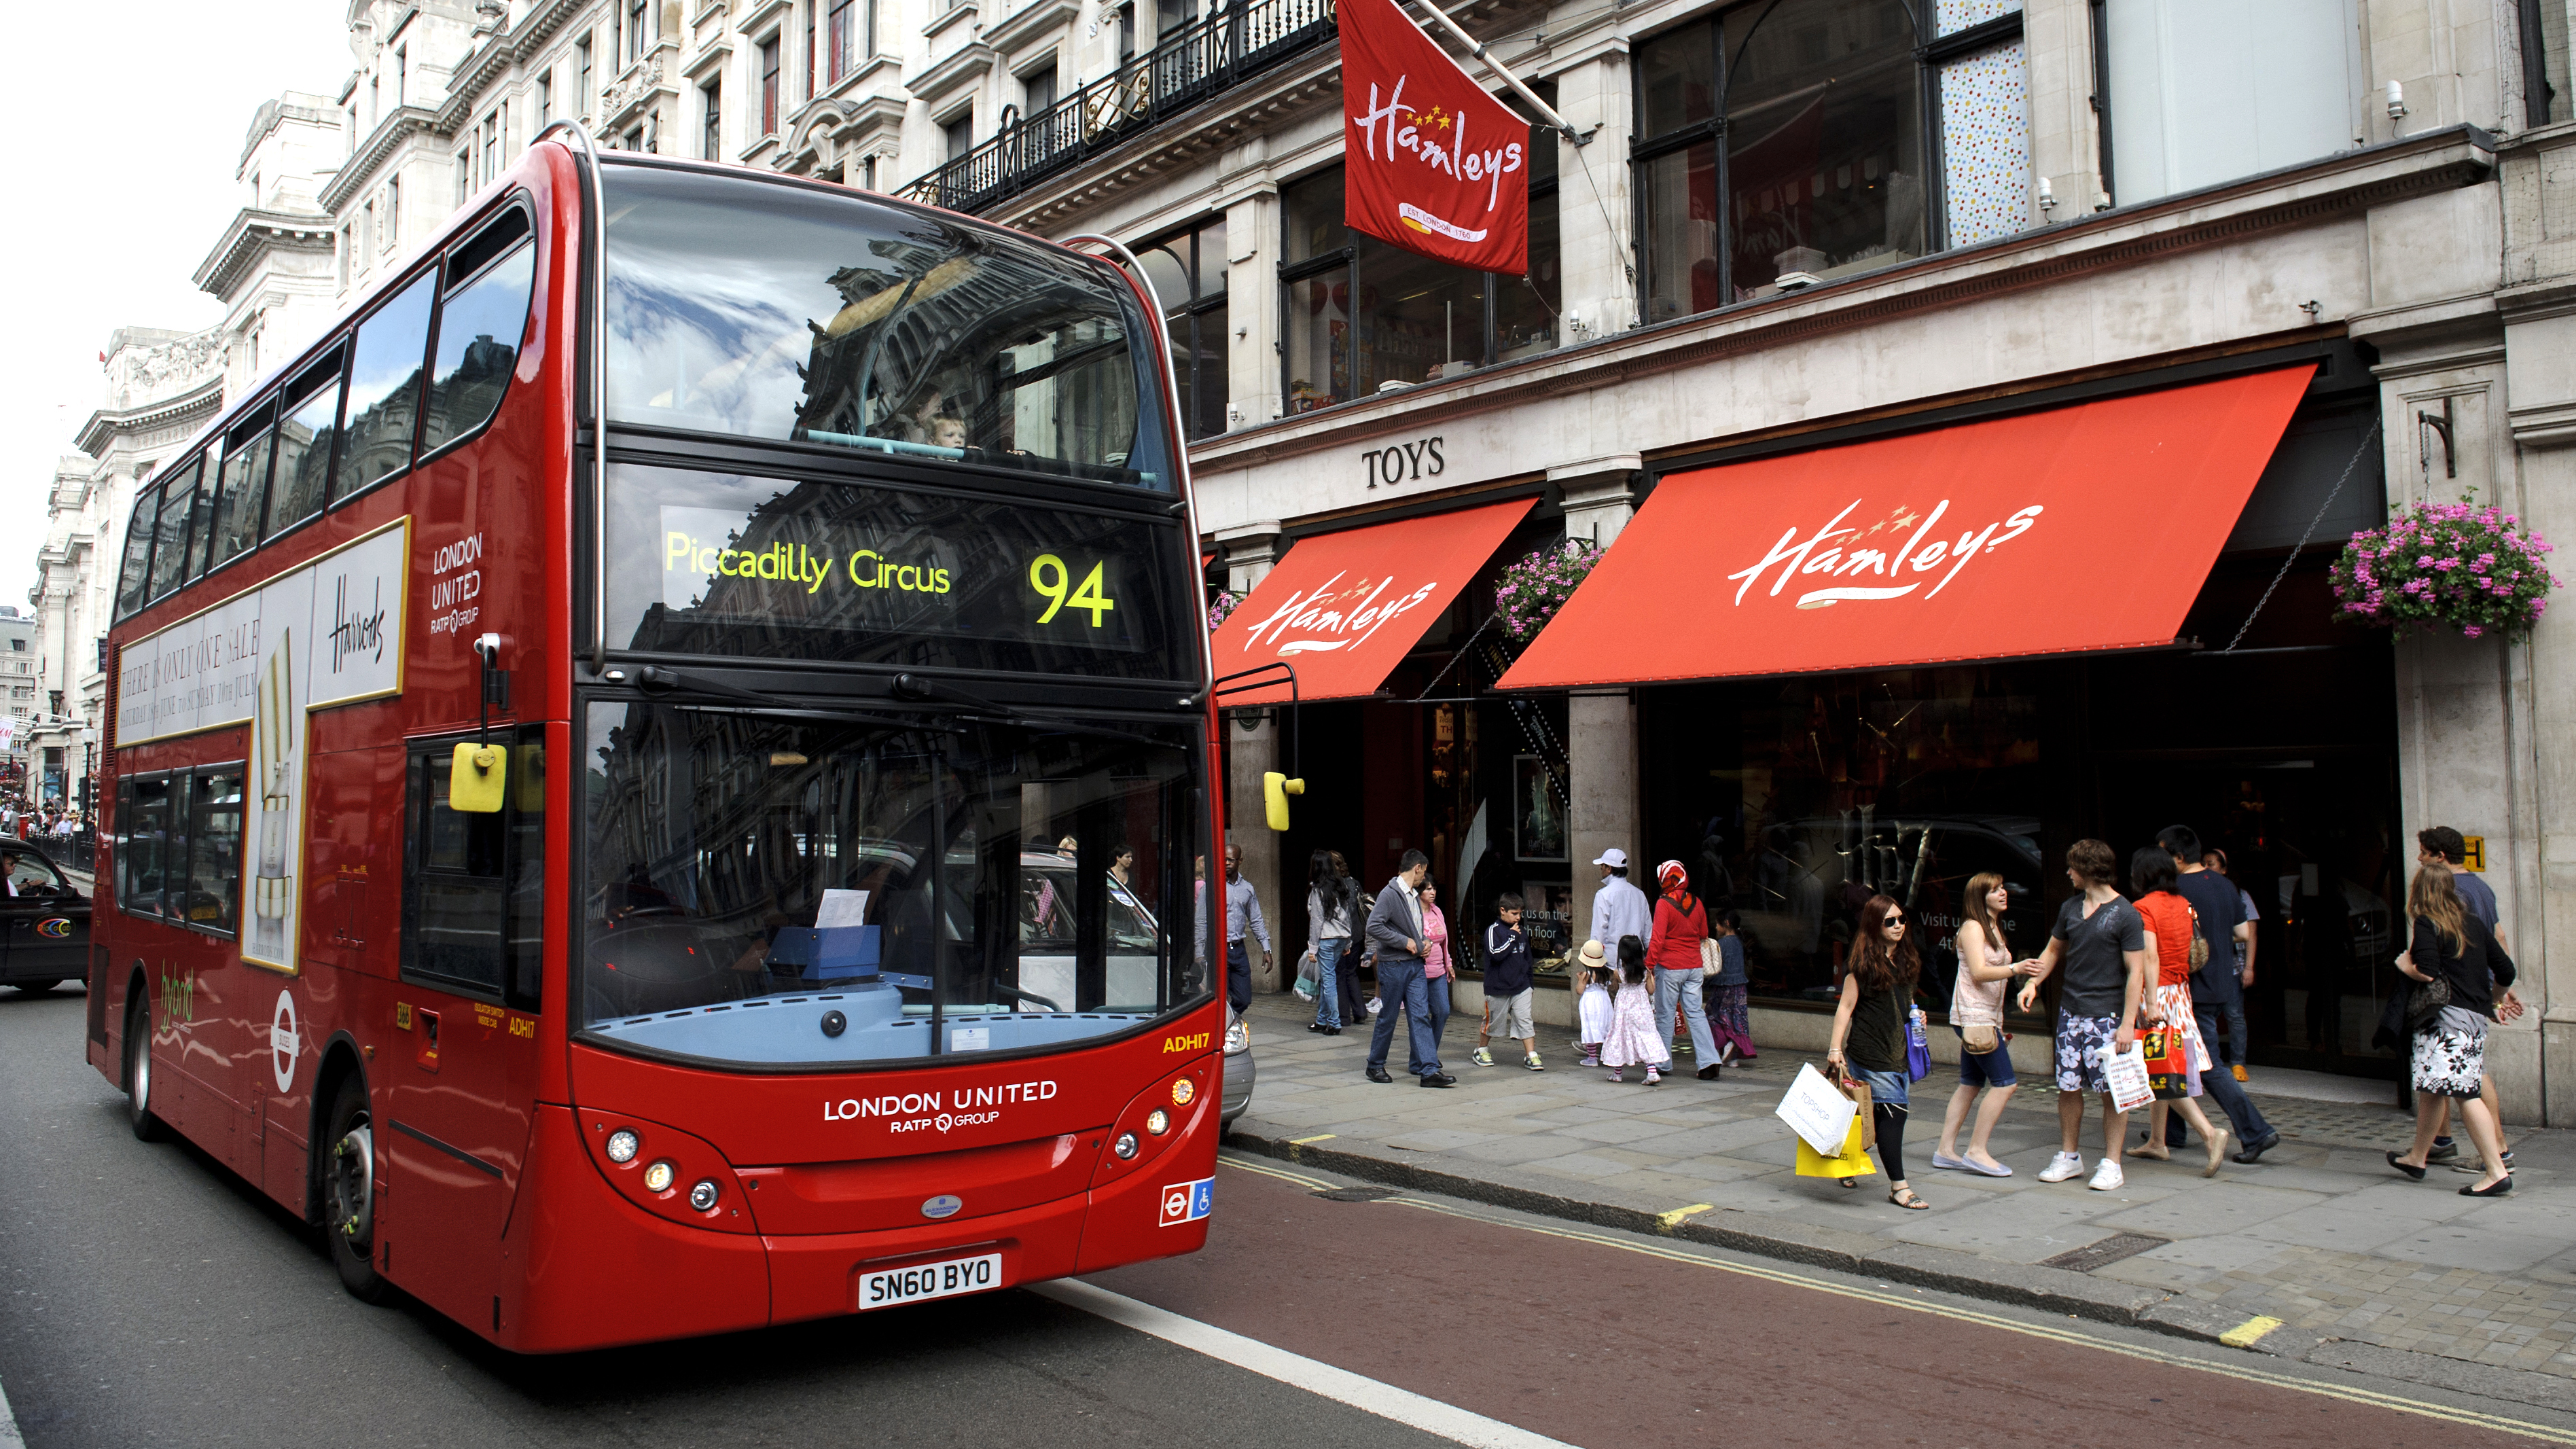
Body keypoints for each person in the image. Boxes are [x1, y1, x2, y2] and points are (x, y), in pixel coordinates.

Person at [2017, 838, 2150, 1192]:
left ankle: (2112, 1163)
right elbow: (2053, 950)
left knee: (2112, 1091)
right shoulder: (2071, 908)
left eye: (2072, 866)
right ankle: (2070, 1156)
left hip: (2106, 1015)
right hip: (2071, 1011)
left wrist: (2126, 1023)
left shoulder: (2125, 913)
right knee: (2068, 1086)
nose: (2068, 872)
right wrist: (2033, 984)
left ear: (2088, 870)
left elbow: (2136, 972)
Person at [2386, 863, 2516, 1196]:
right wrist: (2494, 1002)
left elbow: (2427, 971)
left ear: (2420, 891)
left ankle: (2496, 1171)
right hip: (2472, 1019)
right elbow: (2506, 970)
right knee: (2434, 1089)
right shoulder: (2472, 923)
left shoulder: (2428, 923)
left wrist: (2405, 966)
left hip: (2446, 1022)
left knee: (2465, 1093)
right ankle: (2417, 1158)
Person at [2156, 828, 2281, 1162]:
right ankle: (2171, 1132)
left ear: (2178, 856)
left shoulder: (2175, 889)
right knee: (2176, 1057)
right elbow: (2242, 932)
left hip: (2188, 987)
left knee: (2207, 1063)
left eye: (2163, 854)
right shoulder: (2226, 885)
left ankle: (2255, 1131)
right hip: (2220, 984)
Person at [2415, 827, 2521, 1175]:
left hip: (2458, 1003)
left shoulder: (2451, 892)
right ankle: (2439, 1142)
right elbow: (2498, 937)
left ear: (2439, 857)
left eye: (2424, 853)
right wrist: (2499, 992)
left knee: (2472, 1079)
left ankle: (2498, 1153)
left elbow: (2449, 955)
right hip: (2478, 995)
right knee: (2447, 1076)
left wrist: (2496, 996)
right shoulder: (2481, 887)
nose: (2419, 859)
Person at [2128, 847, 2232, 1176]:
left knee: (2161, 1072)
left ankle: (2208, 1133)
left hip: (2156, 994)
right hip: (2180, 992)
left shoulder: (2143, 908)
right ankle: (2158, 1141)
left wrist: (2152, 1004)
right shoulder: (2183, 904)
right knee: (2164, 1068)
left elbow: (2150, 959)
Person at [1826, 893, 1928, 1209]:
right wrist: (1834, 1048)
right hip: (1870, 1053)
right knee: (1894, 1115)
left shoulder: (1906, 957)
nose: (1898, 926)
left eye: (1901, 920)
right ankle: (1900, 1187)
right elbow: (1846, 1006)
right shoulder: (1861, 964)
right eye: (1890, 921)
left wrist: (1917, 1014)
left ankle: (1844, 1160)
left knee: (1872, 1117)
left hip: (1899, 1052)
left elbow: (1905, 1001)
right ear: (1874, 925)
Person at [1932, 872, 2026, 1177]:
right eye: (1994, 890)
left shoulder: (1992, 927)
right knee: (2005, 1084)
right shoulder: (1973, 928)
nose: (2003, 893)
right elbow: (1979, 971)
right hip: (1974, 1017)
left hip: (1984, 1017)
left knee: (1970, 1084)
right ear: (1979, 897)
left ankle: (1946, 1150)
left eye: (2002, 887)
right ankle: (1977, 1150)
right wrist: (2016, 968)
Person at [1364, 851, 1451, 1087]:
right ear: (1418, 868)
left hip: (1415, 966)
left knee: (1420, 1015)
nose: (1423, 879)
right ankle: (1375, 1065)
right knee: (1389, 1017)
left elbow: (1414, 927)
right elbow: (1374, 926)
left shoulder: (1413, 895)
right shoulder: (1390, 894)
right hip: (1393, 966)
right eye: (1423, 872)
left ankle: (1429, 1070)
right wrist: (1406, 943)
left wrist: (1424, 942)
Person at [1645, 861, 1724, 1080]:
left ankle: (1662, 1063)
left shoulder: (1663, 904)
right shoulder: (1697, 903)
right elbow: (1703, 933)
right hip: (1694, 967)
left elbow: (1658, 939)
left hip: (1670, 967)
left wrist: (1649, 965)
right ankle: (1709, 1062)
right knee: (1696, 1013)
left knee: (1665, 1015)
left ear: (1666, 879)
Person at [2205, 846, 2257, 1081]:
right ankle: (2209, 1062)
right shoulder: (2199, 892)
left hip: (2233, 965)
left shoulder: (2240, 895)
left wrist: (2249, 967)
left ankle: (2238, 1063)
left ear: (2225, 870)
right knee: (2205, 1016)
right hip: (2206, 966)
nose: (2207, 868)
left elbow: (2251, 933)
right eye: (2204, 863)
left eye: (2212, 864)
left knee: (2235, 1015)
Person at [1474, 892, 1543, 1070]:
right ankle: (1481, 1049)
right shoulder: (1494, 930)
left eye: (1520, 913)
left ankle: (1531, 1055)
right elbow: (1495, 954)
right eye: (1514, 913)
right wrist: (1511, 937)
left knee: (1524, 1019)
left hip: (1521, 986)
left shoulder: (1522, 931)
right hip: (1498, 987)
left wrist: (1530, 985)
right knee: (1492, 1021)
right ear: (1503, 911)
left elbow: (1527, 959)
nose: (1518, 917)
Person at [1600, 935, 1668, 1084]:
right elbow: (1651, 990)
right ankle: (1652, 1072)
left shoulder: (1618, 973)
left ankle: (1617, 1074)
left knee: (1620, 1036)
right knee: (1645, 1037)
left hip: (1624, 1010)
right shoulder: (1646, 972)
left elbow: (1615, 988)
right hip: (1642, 1010)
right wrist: (1650, 977)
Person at [1304, 848, 1353, 1036]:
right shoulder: (1340, 887)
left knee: (1329, 981)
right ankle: (1321, 1020)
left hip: (1325, 939)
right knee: (1328, 980)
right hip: (1341, 937)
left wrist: (1312, 948)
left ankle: (1334, 1022)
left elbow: (1317, 921)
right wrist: (1348, 942)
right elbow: (1347, 916)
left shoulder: (1318, 891)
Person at [1219, 843, 1270, 1015]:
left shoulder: (1247, 889)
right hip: (1219, 949)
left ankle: (1227, 1022)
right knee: (1218, 997)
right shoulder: (1214, 886)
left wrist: (1266, 949)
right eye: (1224, 859)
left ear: (1240, 861)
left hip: (1239, 950)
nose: (1226, 863)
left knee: (1244, 999)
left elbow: (1256, 920)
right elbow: (1202, 922)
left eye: (1231, 860)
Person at [1703, 907, 1756, 1063]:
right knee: (1736, 1019)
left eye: (1717, 924)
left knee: (1714, 1016)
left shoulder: (1722, 943)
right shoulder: (1740, 942)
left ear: (1726, 923)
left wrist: (1706, 981)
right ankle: (1732, 1052)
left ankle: (1727, 1043)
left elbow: (1716, 967)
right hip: (1739, 988)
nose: (1715, 927)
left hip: (1724, 987)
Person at [1327, 851, 1371, 1028]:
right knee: (1351, 973)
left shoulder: (1332, 886)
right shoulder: (1354, 883)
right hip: (1357, 933)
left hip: (1340, 935)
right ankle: (1360, 1012)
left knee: (1339, 974)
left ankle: (1344, 1016)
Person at [1588, 848, 1653, 964]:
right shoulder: (1639, 894)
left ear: (1609, 868)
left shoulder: (1603, 895)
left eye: (1603, 865)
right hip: (1636, 962)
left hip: (1613, 961)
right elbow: (1648, 933)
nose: (1601, 868)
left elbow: (1598, 933)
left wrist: (1594, 961)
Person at [1419, 880, 1456, 1057]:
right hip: (1419, 972)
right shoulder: (1413, 913)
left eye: (1434, 888)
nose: (1432, 892)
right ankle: (1423, 1059)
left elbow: (1444, 943)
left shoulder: (1437, 910)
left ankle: (1429, 1055)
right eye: (1428, 889)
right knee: (1420, 1018)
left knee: (1442, 1012)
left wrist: (1448, 964)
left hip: (1439, 971)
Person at [1575, 940, 1613, 1067]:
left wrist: (1580, 979)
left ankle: (1592, 1057)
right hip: (1604, 1001)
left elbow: (1579, 990)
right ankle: (1609, 1055)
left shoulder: (1587, 974)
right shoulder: (1606, 973)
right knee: (1605, 1027)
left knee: (1590, 1028)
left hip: (1590, 1003)